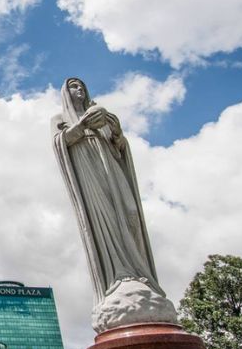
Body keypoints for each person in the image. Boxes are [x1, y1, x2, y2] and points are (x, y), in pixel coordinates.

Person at [52, 77, 165, 308]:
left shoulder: (100, 114)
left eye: (82, 85)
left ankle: (139, 271)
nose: (79, 89)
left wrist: (116, 132)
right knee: (105, 220)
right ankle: (119, 274)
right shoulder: (60, 119)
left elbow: (120, 147)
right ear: (65, 93)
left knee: (130, 213)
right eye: (73, 86)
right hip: (89, 174)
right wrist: (82, 126)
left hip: (111, 167)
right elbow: (59, 143)